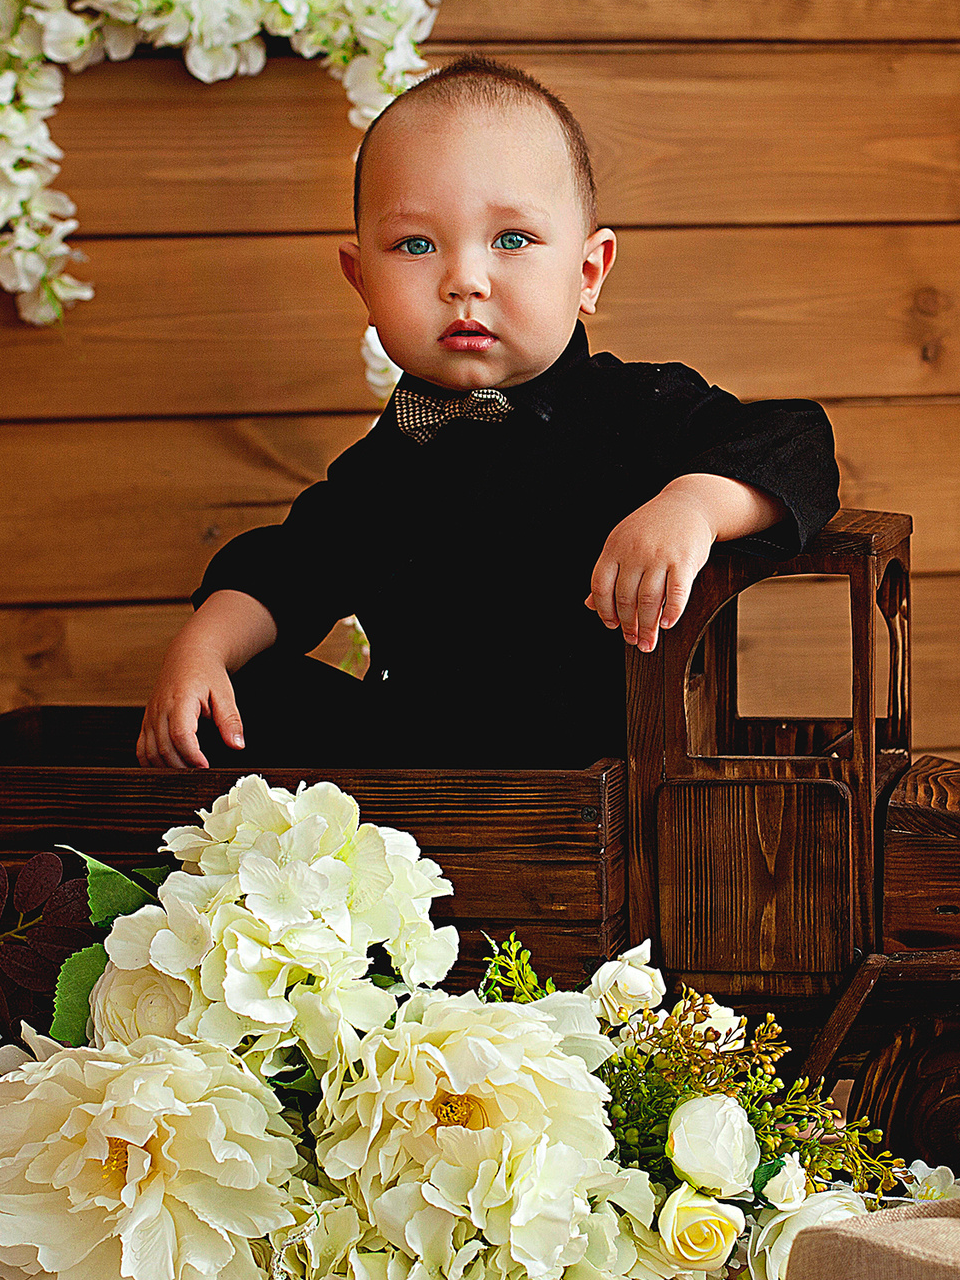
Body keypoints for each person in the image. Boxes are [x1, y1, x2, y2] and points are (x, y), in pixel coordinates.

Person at [136, 54, 838, 770]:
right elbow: (296, 566)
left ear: (588, 272)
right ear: (362, 281)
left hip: (595, 774)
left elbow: (795, 438)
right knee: (244, 693)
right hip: (418, 772)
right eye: (415, 245)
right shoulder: (397, 455)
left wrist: (693, 505)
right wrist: (202, 647)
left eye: (512, 240)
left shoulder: (635, 411)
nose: (464, 280)